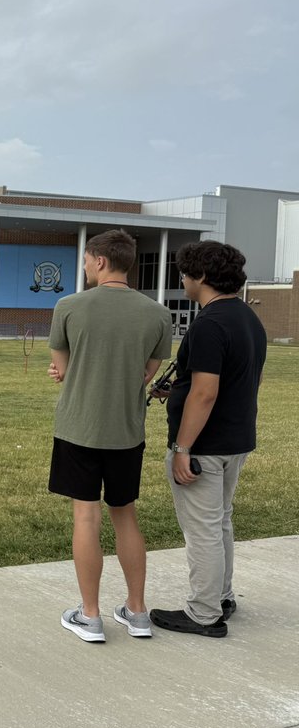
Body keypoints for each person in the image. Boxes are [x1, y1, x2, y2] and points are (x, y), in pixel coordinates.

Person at [47, 229, 173, 643]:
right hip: (126, 431)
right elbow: (146, 373)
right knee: (126, 516)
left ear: (100, 260)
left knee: (86, 516)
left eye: (85, 260)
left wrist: (68, 371)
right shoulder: (157, 314)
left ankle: (91, 615)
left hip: (79, 427)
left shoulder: (68, 306)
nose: (84, 267)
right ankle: (137, 612)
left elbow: (61, 368)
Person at [150, 241, 267, 638]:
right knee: (220, 522)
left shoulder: (208, 324)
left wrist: (183, 448)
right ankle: (222, 595)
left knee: (202, 529)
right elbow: (242, 380)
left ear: (200, 276)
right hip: (237, 439)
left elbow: (206, 392)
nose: (182, 279)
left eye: (184, 273)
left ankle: (203, 613)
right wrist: (177, 392)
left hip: (205, 446)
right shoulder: (248, 319)